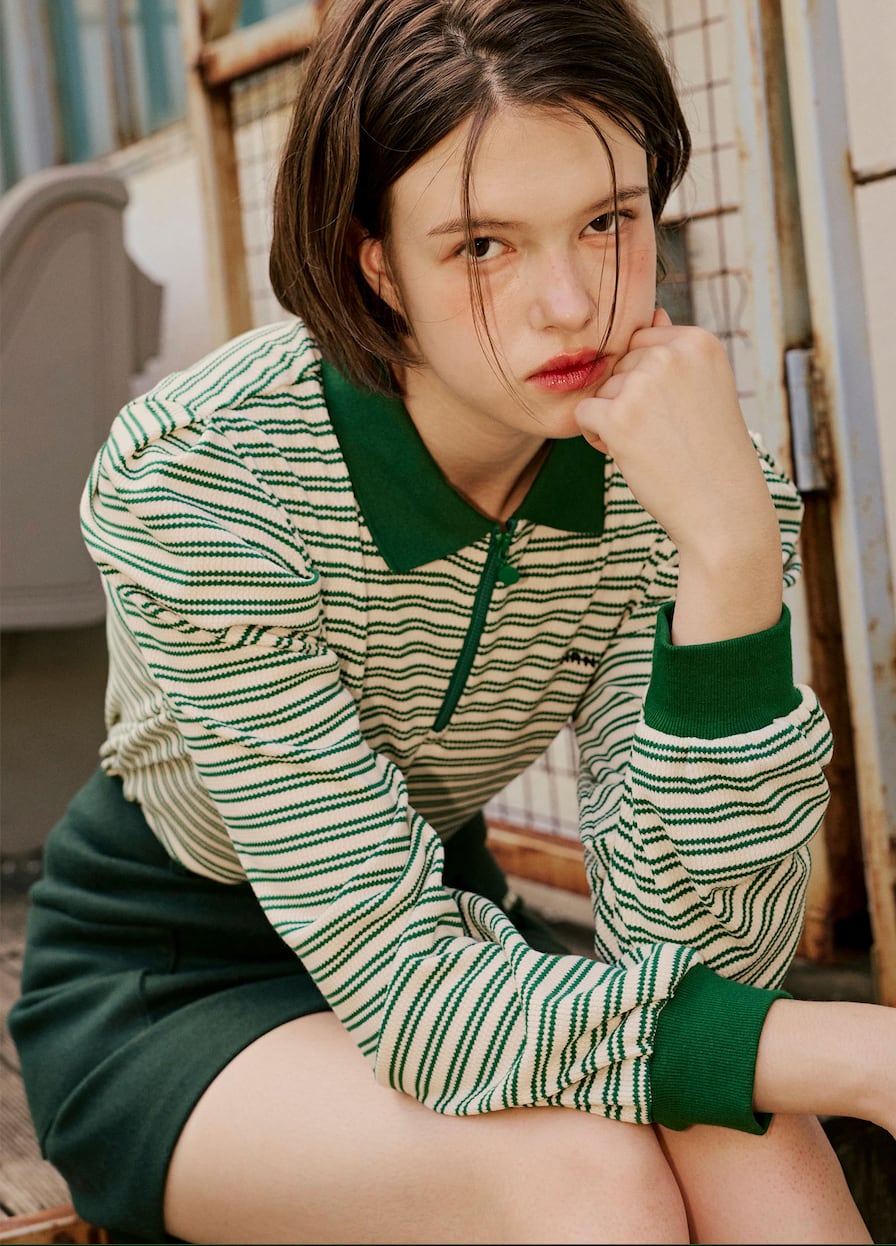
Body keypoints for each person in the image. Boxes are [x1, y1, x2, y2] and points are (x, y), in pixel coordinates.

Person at [10, 0, 895, 1242]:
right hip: (177, 972)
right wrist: (860, 1052)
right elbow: (408, 992)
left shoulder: (683, 472)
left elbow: (705, 965)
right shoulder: (206, 475)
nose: (569, 304)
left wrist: (732, 558)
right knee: (592, 1177)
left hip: (453, 923)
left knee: (751, 1139)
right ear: (376, 262)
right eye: (483, 245)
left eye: (607, 221)